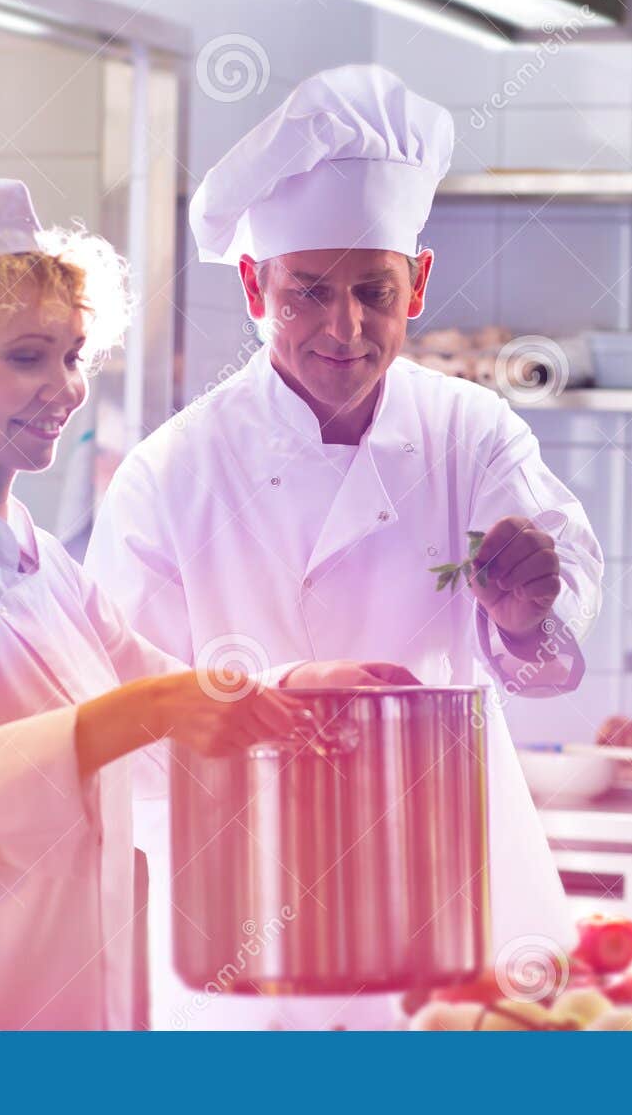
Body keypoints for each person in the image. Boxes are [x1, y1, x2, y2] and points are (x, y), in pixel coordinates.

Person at [84, 65, 605, 1030]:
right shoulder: (170, 475)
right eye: (307, 292)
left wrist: (531, 615)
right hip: (248, 911)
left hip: (455, 889)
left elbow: (551, 636)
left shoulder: (473, 433)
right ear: (253, 283)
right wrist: (277, 696)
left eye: (375, 290)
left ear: (421, 282)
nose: (345, 326)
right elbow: (123, 724)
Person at [0, 178, 367, 1029]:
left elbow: (172, 695)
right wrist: (144, 709)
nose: (66, 388)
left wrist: (299, 687)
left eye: (72, 355)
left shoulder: (37, 561)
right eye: (27, 356)